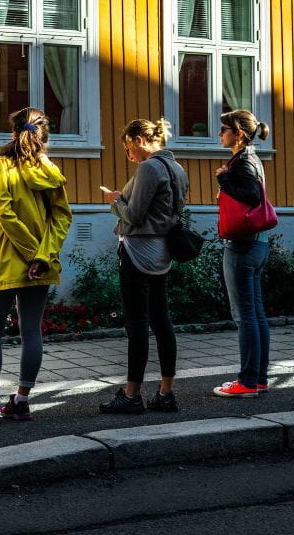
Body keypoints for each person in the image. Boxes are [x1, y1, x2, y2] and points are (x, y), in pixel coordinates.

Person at [0, 108, 72, 424]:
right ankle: (22, 400)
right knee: (31, 332)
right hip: (40, 264)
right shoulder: (50, 170)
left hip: (5, 260)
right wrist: (42, 255)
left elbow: (5, 214)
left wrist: (28, 254)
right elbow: (62, 216)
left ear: (12, 132)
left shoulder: (1, 166)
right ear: (44, 135)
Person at [99, 118, 188, 415]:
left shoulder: (149, 167)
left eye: (128, 148)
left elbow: (134, 215)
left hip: (138, 250)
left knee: (137, 323)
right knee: (162, 320)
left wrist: (114, 200)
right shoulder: (177, 168)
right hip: (162, 250)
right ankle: (165, 392)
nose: (129, 155)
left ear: (139, 140)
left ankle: (132, 394)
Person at [212, 110, 272, 398]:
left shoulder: (243, 161)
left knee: (245, 316)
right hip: (257, 243)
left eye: (224, 129)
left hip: (242, 245)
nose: (220, 134)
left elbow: (252, 196)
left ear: (238, 133)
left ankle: (247, 382)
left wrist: (224, 181)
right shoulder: (252, 158)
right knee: (256, 314)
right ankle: (258, 378)